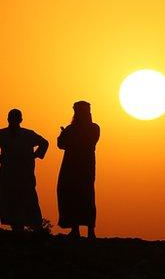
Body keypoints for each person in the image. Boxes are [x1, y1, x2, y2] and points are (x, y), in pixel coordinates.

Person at [0, 109, 49, 232]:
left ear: (20, 120)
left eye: (16, 118)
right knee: (10, 200)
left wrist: (35, 155)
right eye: (12, 118)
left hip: (24, 175)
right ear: (8, 119)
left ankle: (35, 228)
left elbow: (44, 143)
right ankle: (17, 229)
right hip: (8, 174)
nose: (14, 121)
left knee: (28, 200)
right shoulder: (1, 134)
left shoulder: (28, 134)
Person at [57, 101, 100, 239]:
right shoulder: (72, 129)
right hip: (71, 166)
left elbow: (86, 142)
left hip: (83, 166)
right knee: (71, 194)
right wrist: (63, 135)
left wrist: (67, 136)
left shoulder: (93, 128)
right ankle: (75, 229)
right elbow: (61, 144)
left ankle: (90, 231)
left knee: (86, 195)